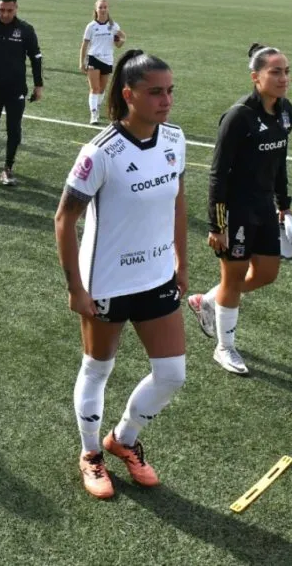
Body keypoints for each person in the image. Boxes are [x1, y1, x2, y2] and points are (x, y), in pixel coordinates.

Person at [54, 50, 188, 500]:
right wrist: (76, 288)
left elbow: (178, 201)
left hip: (157, 278)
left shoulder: (175, 139)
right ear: (128, 95)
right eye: (155, 92)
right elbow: (64, 219)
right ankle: (91, 453)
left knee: (172, 374)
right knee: (97, 369)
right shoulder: (100, 152)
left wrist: (181, 262)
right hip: (107, 284)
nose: (166, 100)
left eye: (169, 91)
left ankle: (123, 439)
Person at [187, 43, 292, 376]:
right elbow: (218, 173)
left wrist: (284, 204)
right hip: (236, 210)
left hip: (264, 207)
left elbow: (279, 161)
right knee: (233, 278)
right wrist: (216, 225)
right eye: (275, 72)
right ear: (255, 77)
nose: (283, 78)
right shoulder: (238, 117)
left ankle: (208, 300)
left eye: (286, 71)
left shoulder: (286, 111)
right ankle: (225, 347)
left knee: (267, 273)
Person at [0, 0, 43, 186]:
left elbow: (36, 57)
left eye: (9, 10)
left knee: (14, 129)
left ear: (16, 8)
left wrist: (38, 85)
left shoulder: (25, 30)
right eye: (2, 10)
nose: (5, 14)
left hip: (15, 88)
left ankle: (8, 168)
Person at [79, 0, 127, 125]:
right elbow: (84, 45)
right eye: (100, 7)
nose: (103, 9)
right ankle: (94, 114)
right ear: (96, 9)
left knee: (101, 89)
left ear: (108, 9)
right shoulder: (91, 26)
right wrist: (81, 62)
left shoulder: (113, 26)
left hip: (107, 60)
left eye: (105, 7)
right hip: (94, 58)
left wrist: (121, 41)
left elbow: (120, 42)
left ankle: (97, 106)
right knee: (95, 88)